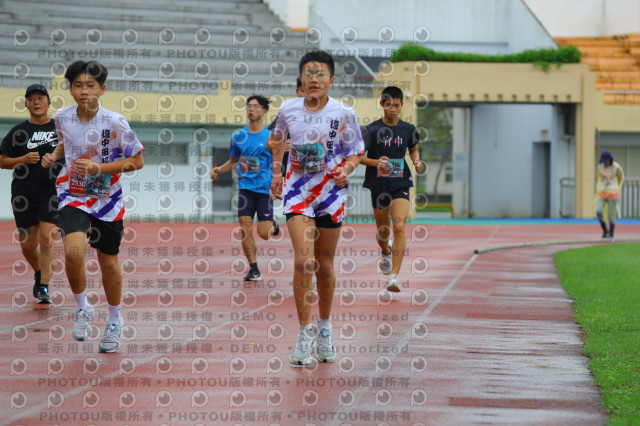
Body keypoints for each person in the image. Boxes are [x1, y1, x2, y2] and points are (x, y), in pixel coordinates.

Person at [42, 60, 144, 353]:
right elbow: (65, 144)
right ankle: (82, 307)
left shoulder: (115, 122)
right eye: (78, 85)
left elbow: (137, 161)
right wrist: (54, 155)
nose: (84, 91)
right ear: (71, 89)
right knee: (73, 250)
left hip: (107, 199)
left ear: (102, 89)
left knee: (107, 262)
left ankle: (114, 320)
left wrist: (100, 168)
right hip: (72, 193)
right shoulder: (62, 117)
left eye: (90, 86)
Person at [270, 50, 364, 365]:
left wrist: (346, 169)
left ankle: (325, 328)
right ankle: (303, 331)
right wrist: (277, 173)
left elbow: (355, 151)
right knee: (303, 261)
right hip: (298, 193)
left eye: (320, 73)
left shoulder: (344, 113)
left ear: (331, 79)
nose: (314, 79)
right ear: (301, 79)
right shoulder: (288, 109)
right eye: (308, 74)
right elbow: (276, 141)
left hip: (331, 194)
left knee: (324, 264)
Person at [0, 84, 61, 303]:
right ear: (26, 104)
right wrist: (22, 159)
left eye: (40, 98)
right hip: (23, 194)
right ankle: (39, 271)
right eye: (31, 99)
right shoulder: (18, 131)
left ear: (49, 102)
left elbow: (74, 153)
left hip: (52, 192)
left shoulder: (60, 129)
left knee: (47, 238)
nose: (36, 102)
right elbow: (3, 161)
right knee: (27, 245)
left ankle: (43, 286)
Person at [360, 86, 424, 292]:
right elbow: (357, 157)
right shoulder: (372, 130)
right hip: (378, 184)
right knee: (383, 232)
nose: (393, 109)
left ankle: (393, 277)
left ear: (402, 104)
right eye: (389, 105)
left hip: (400, 182)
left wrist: (416, 161)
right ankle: (385, 250)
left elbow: (413, 149)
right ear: (382, 104)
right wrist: (375, 162)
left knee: (399, 227)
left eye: (396, 105)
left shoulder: (408, 129)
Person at [210, 95, 279, 281]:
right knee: (245, 227)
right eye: (248, 106)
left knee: (264, 234)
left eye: (255, 106)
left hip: (264, 190)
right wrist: (218, 169)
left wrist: (277, 183)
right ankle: (254, 268)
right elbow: (233, 161)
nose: (250, 109)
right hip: (245, 189)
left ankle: (273, 225)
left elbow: (279, 162)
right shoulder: (238, 136)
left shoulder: (271, 136)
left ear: (264, 111)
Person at [267, 77, 305, 176]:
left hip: (313, 173)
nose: (306, 95)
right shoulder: (287, 113)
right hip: (286, 173)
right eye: (303, 91)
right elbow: (269, 143)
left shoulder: (324, 116)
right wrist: (281, 147)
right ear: (297, 92)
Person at [596, 150, 624, 238]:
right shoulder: (600, 167)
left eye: (607, 161)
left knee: (611, 214)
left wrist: (616, 187)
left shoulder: (616, 167)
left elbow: (620, 177)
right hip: (602, 192)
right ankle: (605, 230)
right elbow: (599, 178)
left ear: (610, 159)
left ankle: (611, 232)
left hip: (613, 193)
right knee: (598, 211)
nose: (605, 163)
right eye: (603, 161)